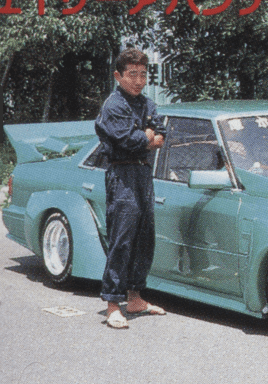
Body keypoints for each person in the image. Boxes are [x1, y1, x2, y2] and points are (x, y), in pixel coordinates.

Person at [94, 48, 167, 329]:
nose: (138, 81)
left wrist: (146, 136)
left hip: (142, 172)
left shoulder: (147, 104)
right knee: (122, 238)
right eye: (132, 74)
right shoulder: (114, 105)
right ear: (118, 76)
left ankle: (135, 297)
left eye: (143, 75)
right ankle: (113, 303)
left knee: (144, 236)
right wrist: (145, 136)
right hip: (121, 173)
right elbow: (127, 140)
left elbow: (161, 134)